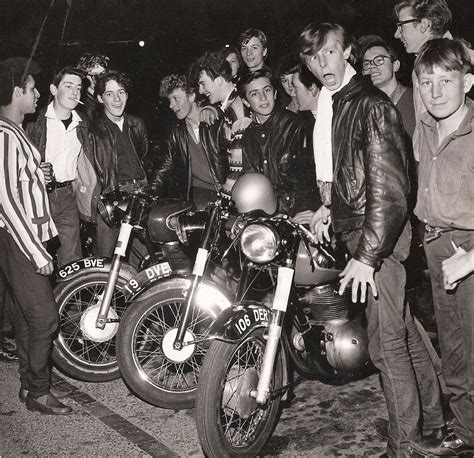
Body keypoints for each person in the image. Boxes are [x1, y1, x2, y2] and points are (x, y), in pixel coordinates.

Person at [296, 23, 444, 457]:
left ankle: (404, 445)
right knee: (405, 333)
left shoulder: (370, 105)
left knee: (386, 345)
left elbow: (391, 191)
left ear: (347, 54)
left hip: (377, 240)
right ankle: (433, 422)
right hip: (363, 231)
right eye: (312, 57)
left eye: (328, 53)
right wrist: (331, 207)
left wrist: (368, 256)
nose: (321, 64)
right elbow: (354, 174)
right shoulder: (338, 103)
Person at [408, 38, 474, 456]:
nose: (435, 92)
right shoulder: (427, 127)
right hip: (436, 246)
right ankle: (467, 432)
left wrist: (470, 258)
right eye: (426, 82)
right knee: (453, 348)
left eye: (446, 81)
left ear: (467, 82)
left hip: (467, 250)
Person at [0, 57, 72, 414]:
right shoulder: (5, 136)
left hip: (25, 238)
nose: (38, 93)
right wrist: (38, 253)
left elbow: (19, 185)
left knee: (27, 315)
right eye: (31, 88)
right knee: (45, 317)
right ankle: (39, 392)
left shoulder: (16, 134)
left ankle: (29, 385)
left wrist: (38, 176)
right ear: (16, 92)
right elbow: (7, 201)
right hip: (20, 240)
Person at [26, 66, 93, 267]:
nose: (74, 92)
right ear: (54, 90)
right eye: (68, 85)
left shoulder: (83, 124)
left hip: (67, 197)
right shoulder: (34, 121)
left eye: (78, 88)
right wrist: (36, 169)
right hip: (38, 197)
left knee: (72, 261)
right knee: (36, 258)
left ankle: (69, 298)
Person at [239, 69, 320, 216]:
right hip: (265, 217)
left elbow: (310, 182)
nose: (263, 97)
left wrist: (302, 212)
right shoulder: (247, 138)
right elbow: (252, 187)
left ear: (275, 93)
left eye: (267, 90)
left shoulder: (298, 127)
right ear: (245, 101)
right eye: (254, 93)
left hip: (299, 214)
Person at [89, 69, 148, 258]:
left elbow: (144, 157)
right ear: (100, 98)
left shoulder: (137, 123)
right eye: (109, 93)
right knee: (107, 259)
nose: (116, 99)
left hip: (140, 196)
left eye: (121, 92)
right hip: (111, 199)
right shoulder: (94, 129)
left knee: (144, 258)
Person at [151, 74, 224, 208]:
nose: (171, 105)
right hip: (200, 194)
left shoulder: (215, 120)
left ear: (191, 96)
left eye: (176, 99)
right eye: (170, 100)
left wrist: (215, 109)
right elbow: (165, 165)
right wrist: (150, 190)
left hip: (225, 191)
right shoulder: (177, 131)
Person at [393, 0, 453, 161]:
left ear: (423, 24)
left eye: (401, 26)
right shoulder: (430, 60)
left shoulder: (441, 63)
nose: (397, 34)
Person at [192, 49, 251, 195]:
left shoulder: (237, 109)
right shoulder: (229, 106)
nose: (200, 91)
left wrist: (223, 198)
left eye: (203, 84)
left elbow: (239, 168)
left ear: (218, 80)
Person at [358, 34, 415, 139]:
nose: (373, 66)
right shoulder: (363, 109)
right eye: (367, 64)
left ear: (395, 65)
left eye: (379, 60)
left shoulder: (415, 99)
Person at [76, 52, 110, 120]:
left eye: (104, 74)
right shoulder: (84, 106)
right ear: (84, 77)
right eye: (96, 76)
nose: (102, 79)